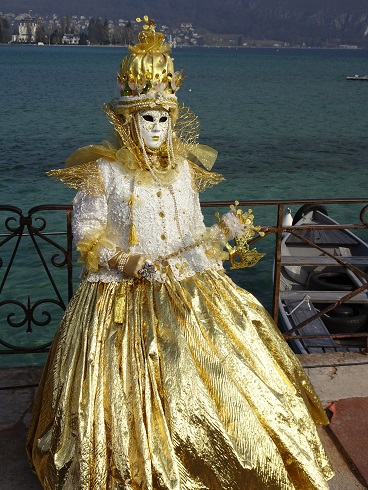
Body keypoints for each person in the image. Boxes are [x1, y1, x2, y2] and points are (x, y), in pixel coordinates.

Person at [27, 16, 334, 489]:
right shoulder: (103, 172)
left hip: (191, 287)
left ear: (173, 119)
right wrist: (130, 262)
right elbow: (86, 231)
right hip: (122, 296)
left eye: (163, 117)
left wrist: (222, 237)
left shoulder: (185, 171)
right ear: (129, 119)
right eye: (146, 117)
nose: (155, 127)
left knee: (227, 375)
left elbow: (192, 230)